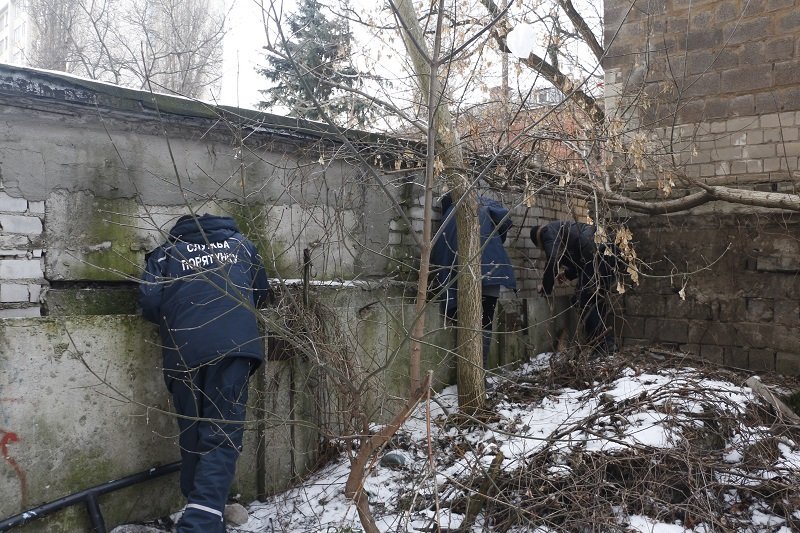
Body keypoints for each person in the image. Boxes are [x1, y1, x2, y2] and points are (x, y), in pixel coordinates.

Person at [139, 213, 270, 533]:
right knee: (221, 434)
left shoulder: (166, 253)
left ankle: (204, 510)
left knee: (194, 432)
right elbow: (261, 292)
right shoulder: (242, 246)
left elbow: (149, 301)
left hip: (184, 350)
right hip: (233, 347)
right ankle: (200, 521)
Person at [431, 192, 517, 368]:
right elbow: (505, 223)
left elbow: (439, 254)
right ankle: (480, 373)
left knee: (466, 323)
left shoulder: (450, 216)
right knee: (485, 321)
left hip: (463, 278)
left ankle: (470, 373)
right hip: (492, 271)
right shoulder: (489, 207)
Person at [529, 220, 618, 355]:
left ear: (538, 240)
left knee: (583, 299)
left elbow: (553, 259)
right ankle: (606, 344)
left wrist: (546, 287)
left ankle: (604, 344)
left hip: (597, 255)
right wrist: (567, 274)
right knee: (594, 300)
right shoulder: (562, 231)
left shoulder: (547, 231)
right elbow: (579, 257)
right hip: (608, 254)